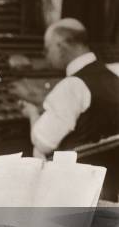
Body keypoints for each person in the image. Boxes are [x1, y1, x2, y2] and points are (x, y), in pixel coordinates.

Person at [21, 18, 119, 158]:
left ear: (61, 46)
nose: (45, 55)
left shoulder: (72, 85)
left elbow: (43, 142)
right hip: (113, 171)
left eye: (47, 49)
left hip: (78, 172)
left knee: (38, 151)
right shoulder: (114, 74)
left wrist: (32, 113)